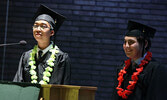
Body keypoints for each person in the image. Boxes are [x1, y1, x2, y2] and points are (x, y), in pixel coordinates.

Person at [13, 4, 71, 85]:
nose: (38, 29)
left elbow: (62, 89)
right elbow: (17, 84)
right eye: (35, 26)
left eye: (43, 26)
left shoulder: (61, 58)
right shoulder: (26, 56)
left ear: (52, 32)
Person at [114, 20, 167, 100]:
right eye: (125, 42)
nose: (127, 46)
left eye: (131, 42)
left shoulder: (156, 70)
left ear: (145, 44)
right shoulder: (122, 69)